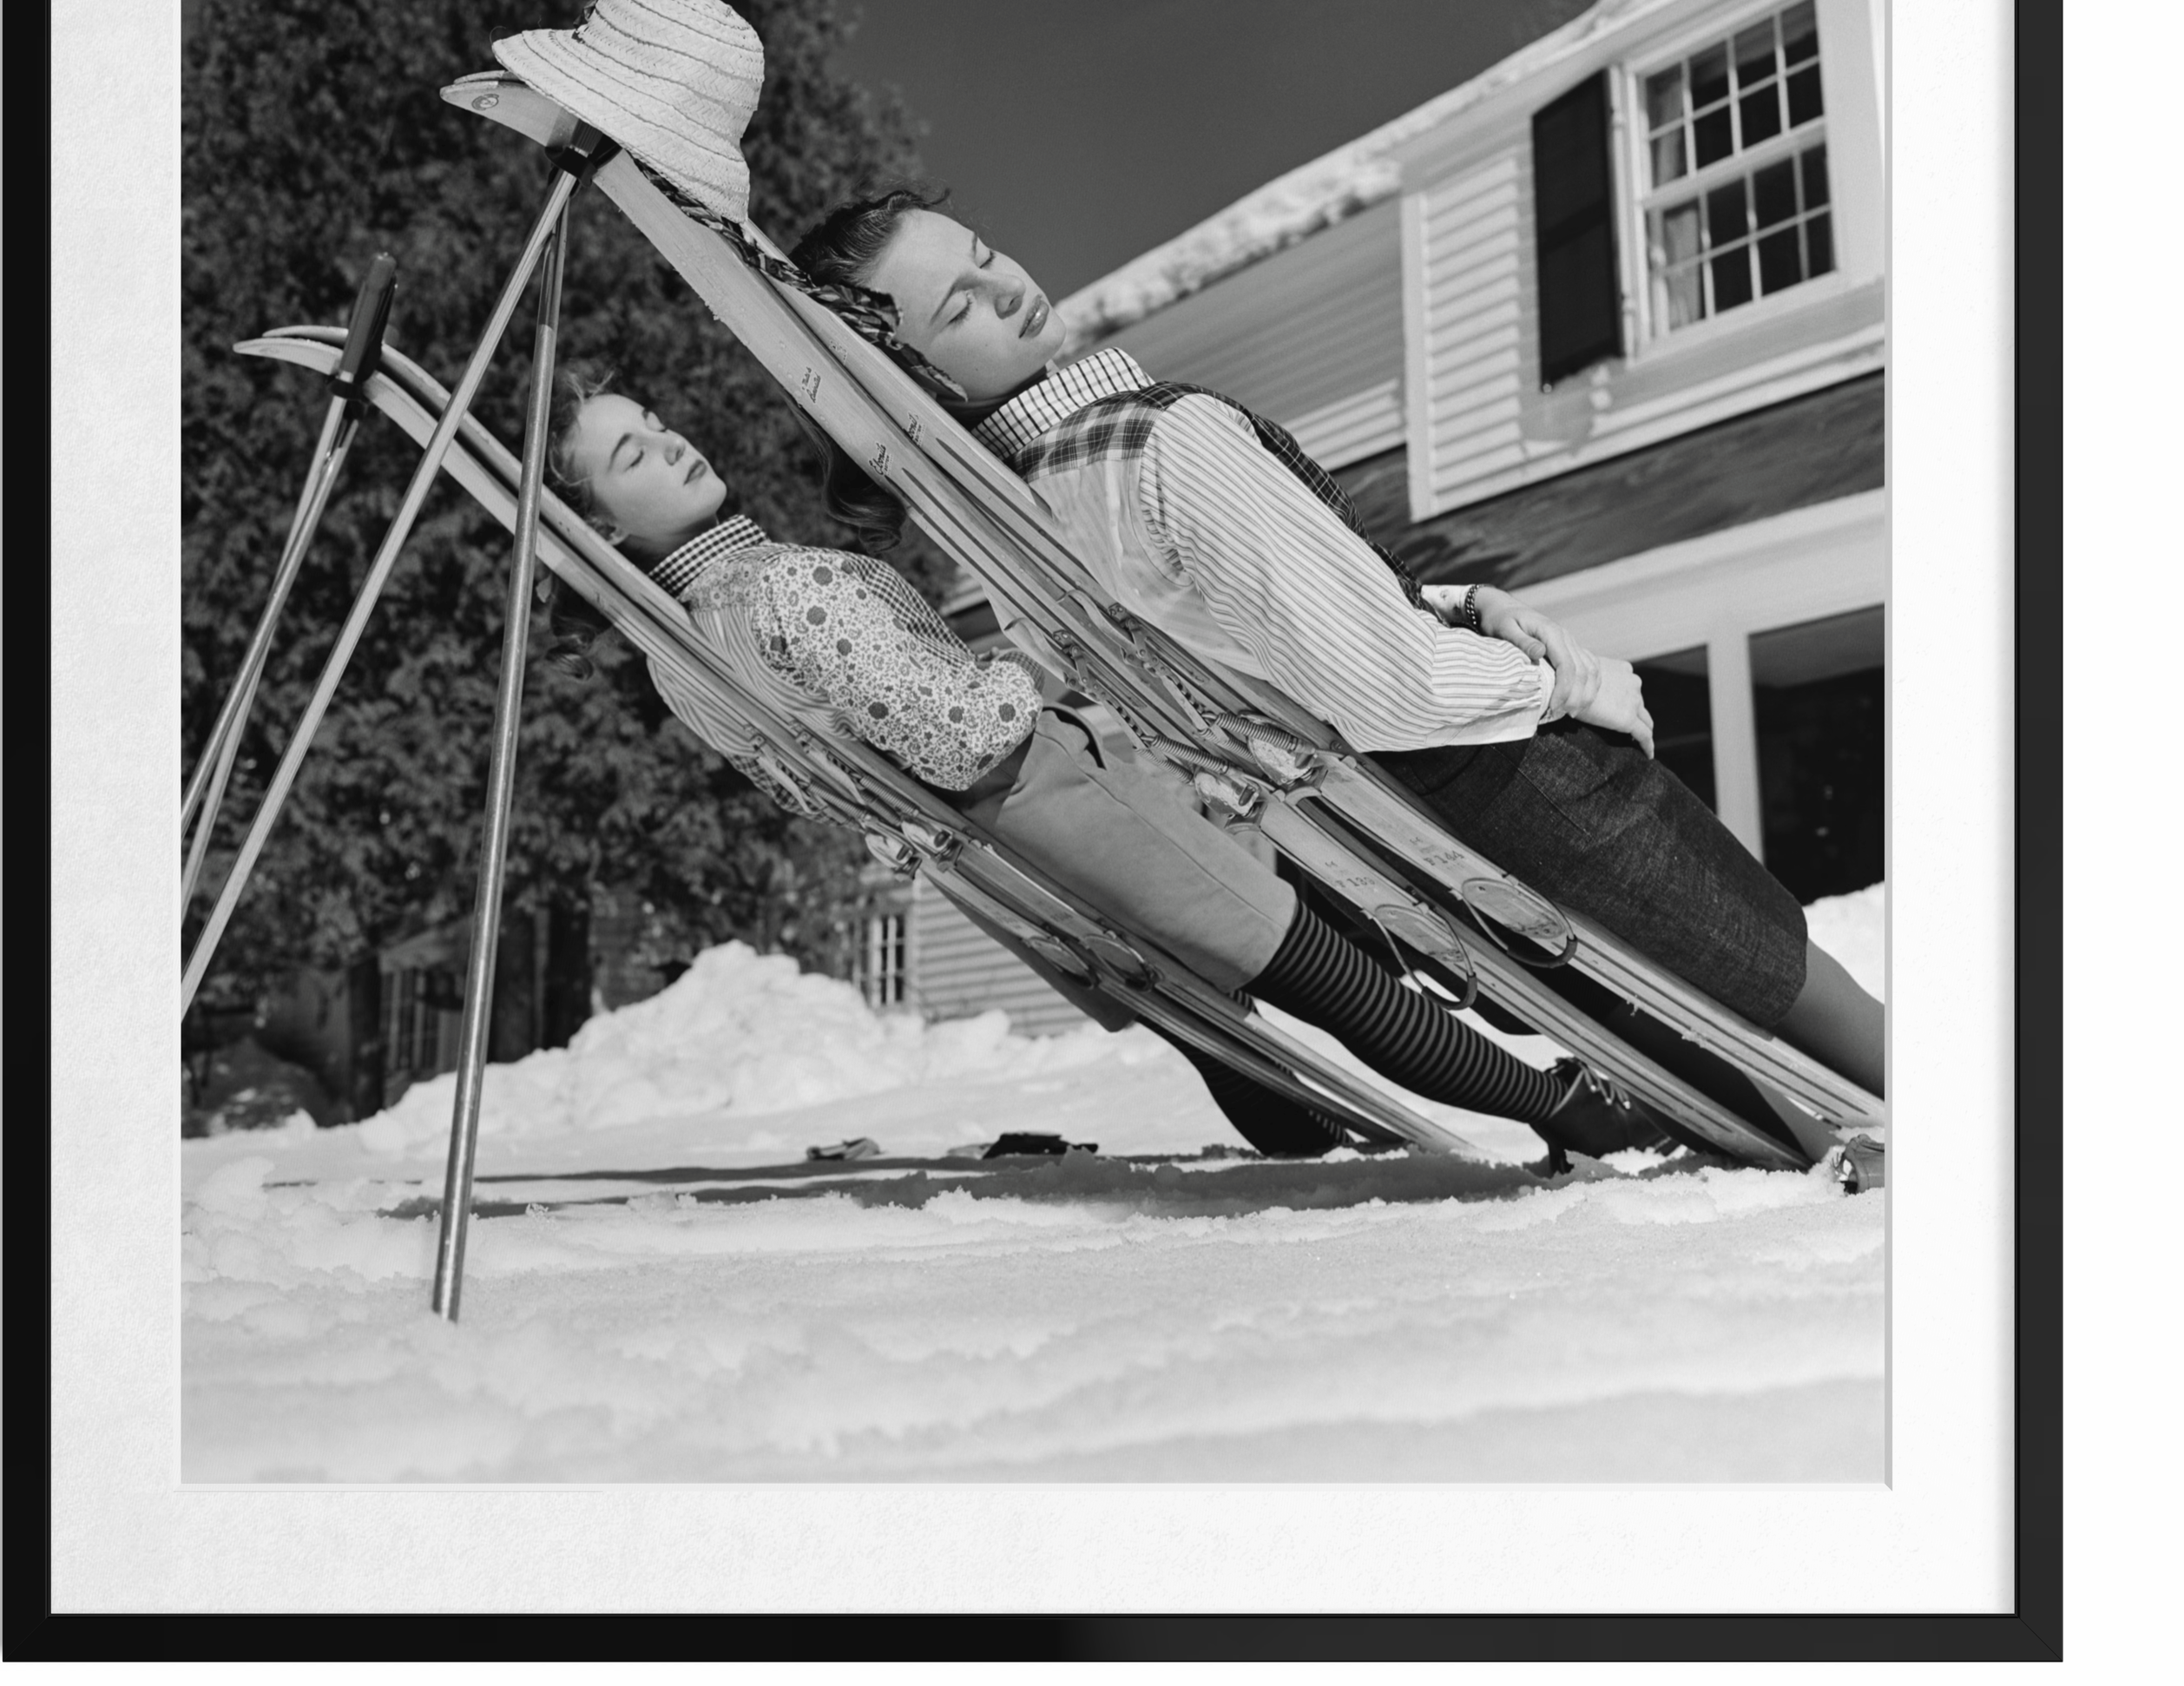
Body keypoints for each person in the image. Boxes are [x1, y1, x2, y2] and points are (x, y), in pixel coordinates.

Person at [781, 189, 1885, 1110]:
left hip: (1386, 830)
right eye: (959, 305)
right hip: (1495, 773)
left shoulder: (1024, 518)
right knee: (1782, 980)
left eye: (984, 254)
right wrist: (1567, 685)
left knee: (1705, 1058)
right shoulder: (1160, 443)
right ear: (916, 378)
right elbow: (1389, 685)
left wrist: (1456, 597)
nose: (1009, 286)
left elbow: (1252, 634)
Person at [539, 383, 1662, 1169]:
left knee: (1203, 989)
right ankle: (1566, 1110)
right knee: (1312, 964)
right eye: (632, 455)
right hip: (1040, 793)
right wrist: (1041, 676)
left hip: (979, 858)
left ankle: (1302, 1133)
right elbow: (961, 735)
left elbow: (806, 783)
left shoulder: (682, 656)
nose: (673, 443)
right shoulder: (784, 588)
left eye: (656, 424)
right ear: (600, 525)